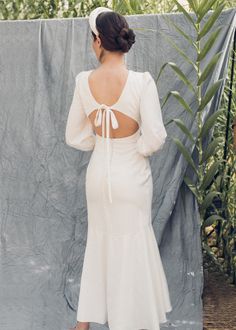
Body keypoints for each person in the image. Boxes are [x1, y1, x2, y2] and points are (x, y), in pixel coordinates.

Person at [65, 6, 172, 330]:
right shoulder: (141, 82)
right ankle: (128, 322)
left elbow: (74, 135)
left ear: (98, 41)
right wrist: (133, 148)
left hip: (98, 177)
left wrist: (102, 143)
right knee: (131, 247)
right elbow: (155, 137)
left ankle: (82, 324)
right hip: (132, 176)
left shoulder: (85, 82)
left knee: (100, 243)